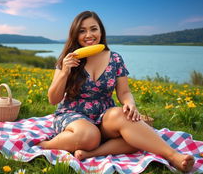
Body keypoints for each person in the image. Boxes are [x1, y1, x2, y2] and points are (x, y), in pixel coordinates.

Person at [37, 11, 194, 172]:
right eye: (82, 31)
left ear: (101, 31)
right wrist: (64, 72)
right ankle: (47, 145)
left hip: (104, 113)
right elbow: (53, 99)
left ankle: (174, 156)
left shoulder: (115, 59)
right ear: (75, 34)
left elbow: (124, 92)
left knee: (134, 131)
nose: (89, 35)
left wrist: (130, 104)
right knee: (90, 135)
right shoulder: (67, 58)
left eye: (93, 29)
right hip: (72, 114)